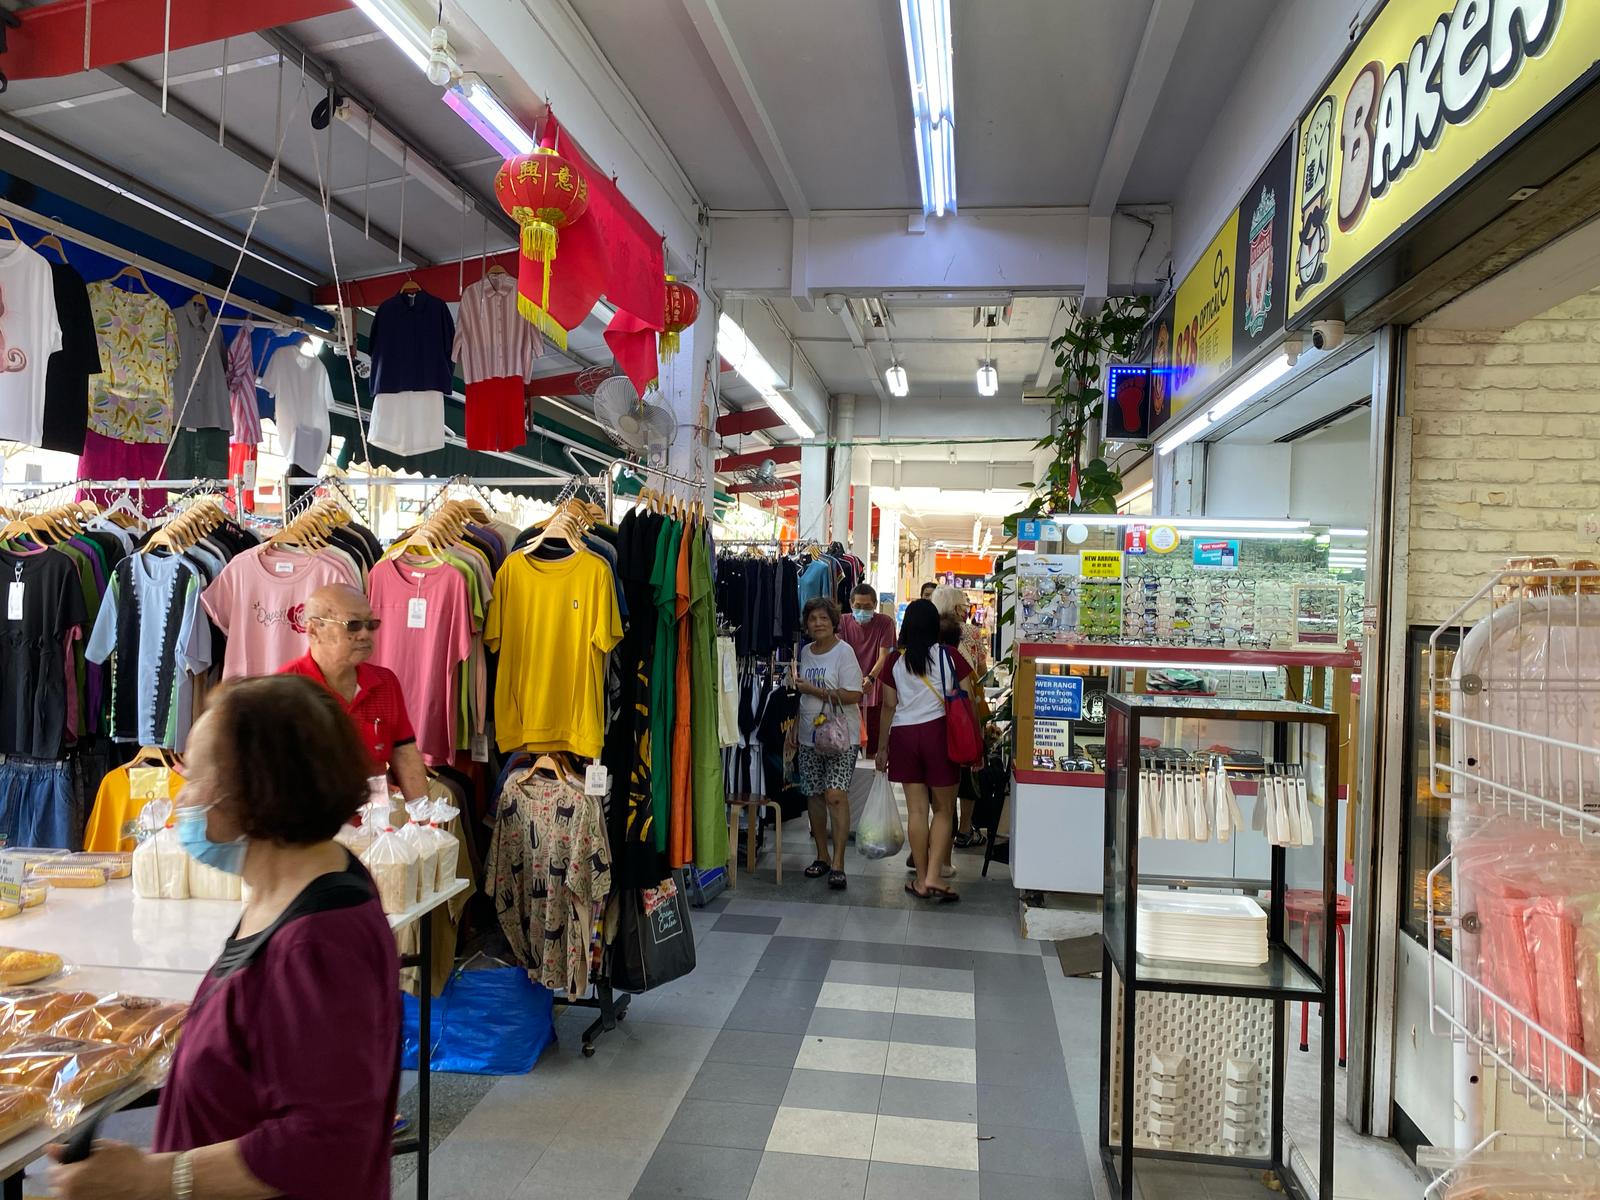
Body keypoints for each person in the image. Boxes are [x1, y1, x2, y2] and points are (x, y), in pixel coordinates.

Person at [48, 675, 399, 1200]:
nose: (183, 794)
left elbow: (326, 1144)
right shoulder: (285, 886)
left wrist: (150, 1179)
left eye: (197, 776)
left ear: (252, 791)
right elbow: (270, 1028)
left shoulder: (319, 943)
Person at [279, 584, 427, 802]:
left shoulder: (385, 683)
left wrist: (424, 822)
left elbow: (404, 754)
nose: (365, 634)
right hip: (309, 828)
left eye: (371, 624)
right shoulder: (284, 689)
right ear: (313, 630)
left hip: (374, 826)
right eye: (353, 625)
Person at [875, 598, 975, 902]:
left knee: (916, 811)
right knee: (944, 810)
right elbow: (968, 698)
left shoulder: (894, 662)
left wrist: (881, 749)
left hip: (904, 736)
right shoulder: (950, 657)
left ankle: (920, 879)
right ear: (935, 627)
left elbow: (889, 706)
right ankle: (934, 875)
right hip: (938, 734)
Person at [790, 596, 864, 889]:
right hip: (809, 736)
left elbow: (854, 695)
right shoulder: (804, 653)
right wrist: (793, 727)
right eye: (812, 619)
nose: (817, 623)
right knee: (814, 795)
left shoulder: (844, 653)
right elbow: (797, 695)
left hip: (840, 738)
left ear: (834, 622)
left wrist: (816, 690)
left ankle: (839, 862)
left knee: (835, 794)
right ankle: (821, 855)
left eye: (823, 618)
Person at [840, 583, 896, 750]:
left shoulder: (885, 623)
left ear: (875, 605)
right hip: (848, 689)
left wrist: (871, 677)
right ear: (851, 604)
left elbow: (884, 654)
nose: (862, 611)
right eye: (858, 606)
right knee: (847, 741)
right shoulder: (842, 622)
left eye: (867, 607)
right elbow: (841, 653)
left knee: (872, 739)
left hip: (875, 689)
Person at [931, 583, 990, 676]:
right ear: (957, 608)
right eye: (964, 607)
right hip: (964, 687)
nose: (965, 611)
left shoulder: (930, 629)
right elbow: (982, 670)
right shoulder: (971, 631)